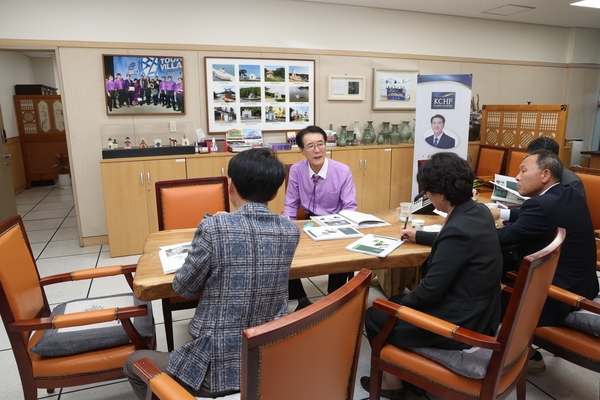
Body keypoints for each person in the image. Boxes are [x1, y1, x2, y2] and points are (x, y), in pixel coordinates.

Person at [124, 148, 301, 399]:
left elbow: (184, 288)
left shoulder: (213, 227)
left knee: (134, 362)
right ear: (274, 193)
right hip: (267, 355)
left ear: (231, 187)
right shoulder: (290, 230)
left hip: (217, 370)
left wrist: (221, 226)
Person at [360, 152, 502, 399]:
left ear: (441, 193)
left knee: (375, 314)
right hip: (483, 311)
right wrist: (419, 236)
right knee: (393, 299)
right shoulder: (478, 212)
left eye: (427, 191)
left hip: (461, 324)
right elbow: (457, 244)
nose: (425, 196)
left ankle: (394, 384)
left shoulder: (458, 229)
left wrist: (397, 307)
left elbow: (430, 291)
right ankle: (406, 373)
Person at [489, 149, 598, 373]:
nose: (517, 177)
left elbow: (499, 239)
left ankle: (524, 356)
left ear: (545, 175)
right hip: (584, 284)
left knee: (484, 298)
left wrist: (462, 229)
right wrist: (503, 214)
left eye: (523, 170)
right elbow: (539, 214)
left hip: (557, 297)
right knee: (505, 267)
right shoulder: (569, 193)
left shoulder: (540, 206)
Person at [283, 125, 358, 310]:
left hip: (336, 220)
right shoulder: (296, 170)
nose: (317, 150)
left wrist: (338, 227)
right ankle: (301, 299)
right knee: (283, 249)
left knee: (342, 255)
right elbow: (291, 204)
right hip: (309, 220)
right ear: (302, 150)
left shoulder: (342, 171)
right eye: (311, 146)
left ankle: (333, 300)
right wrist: (286, 229)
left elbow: (350, 207)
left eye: (321, 144)